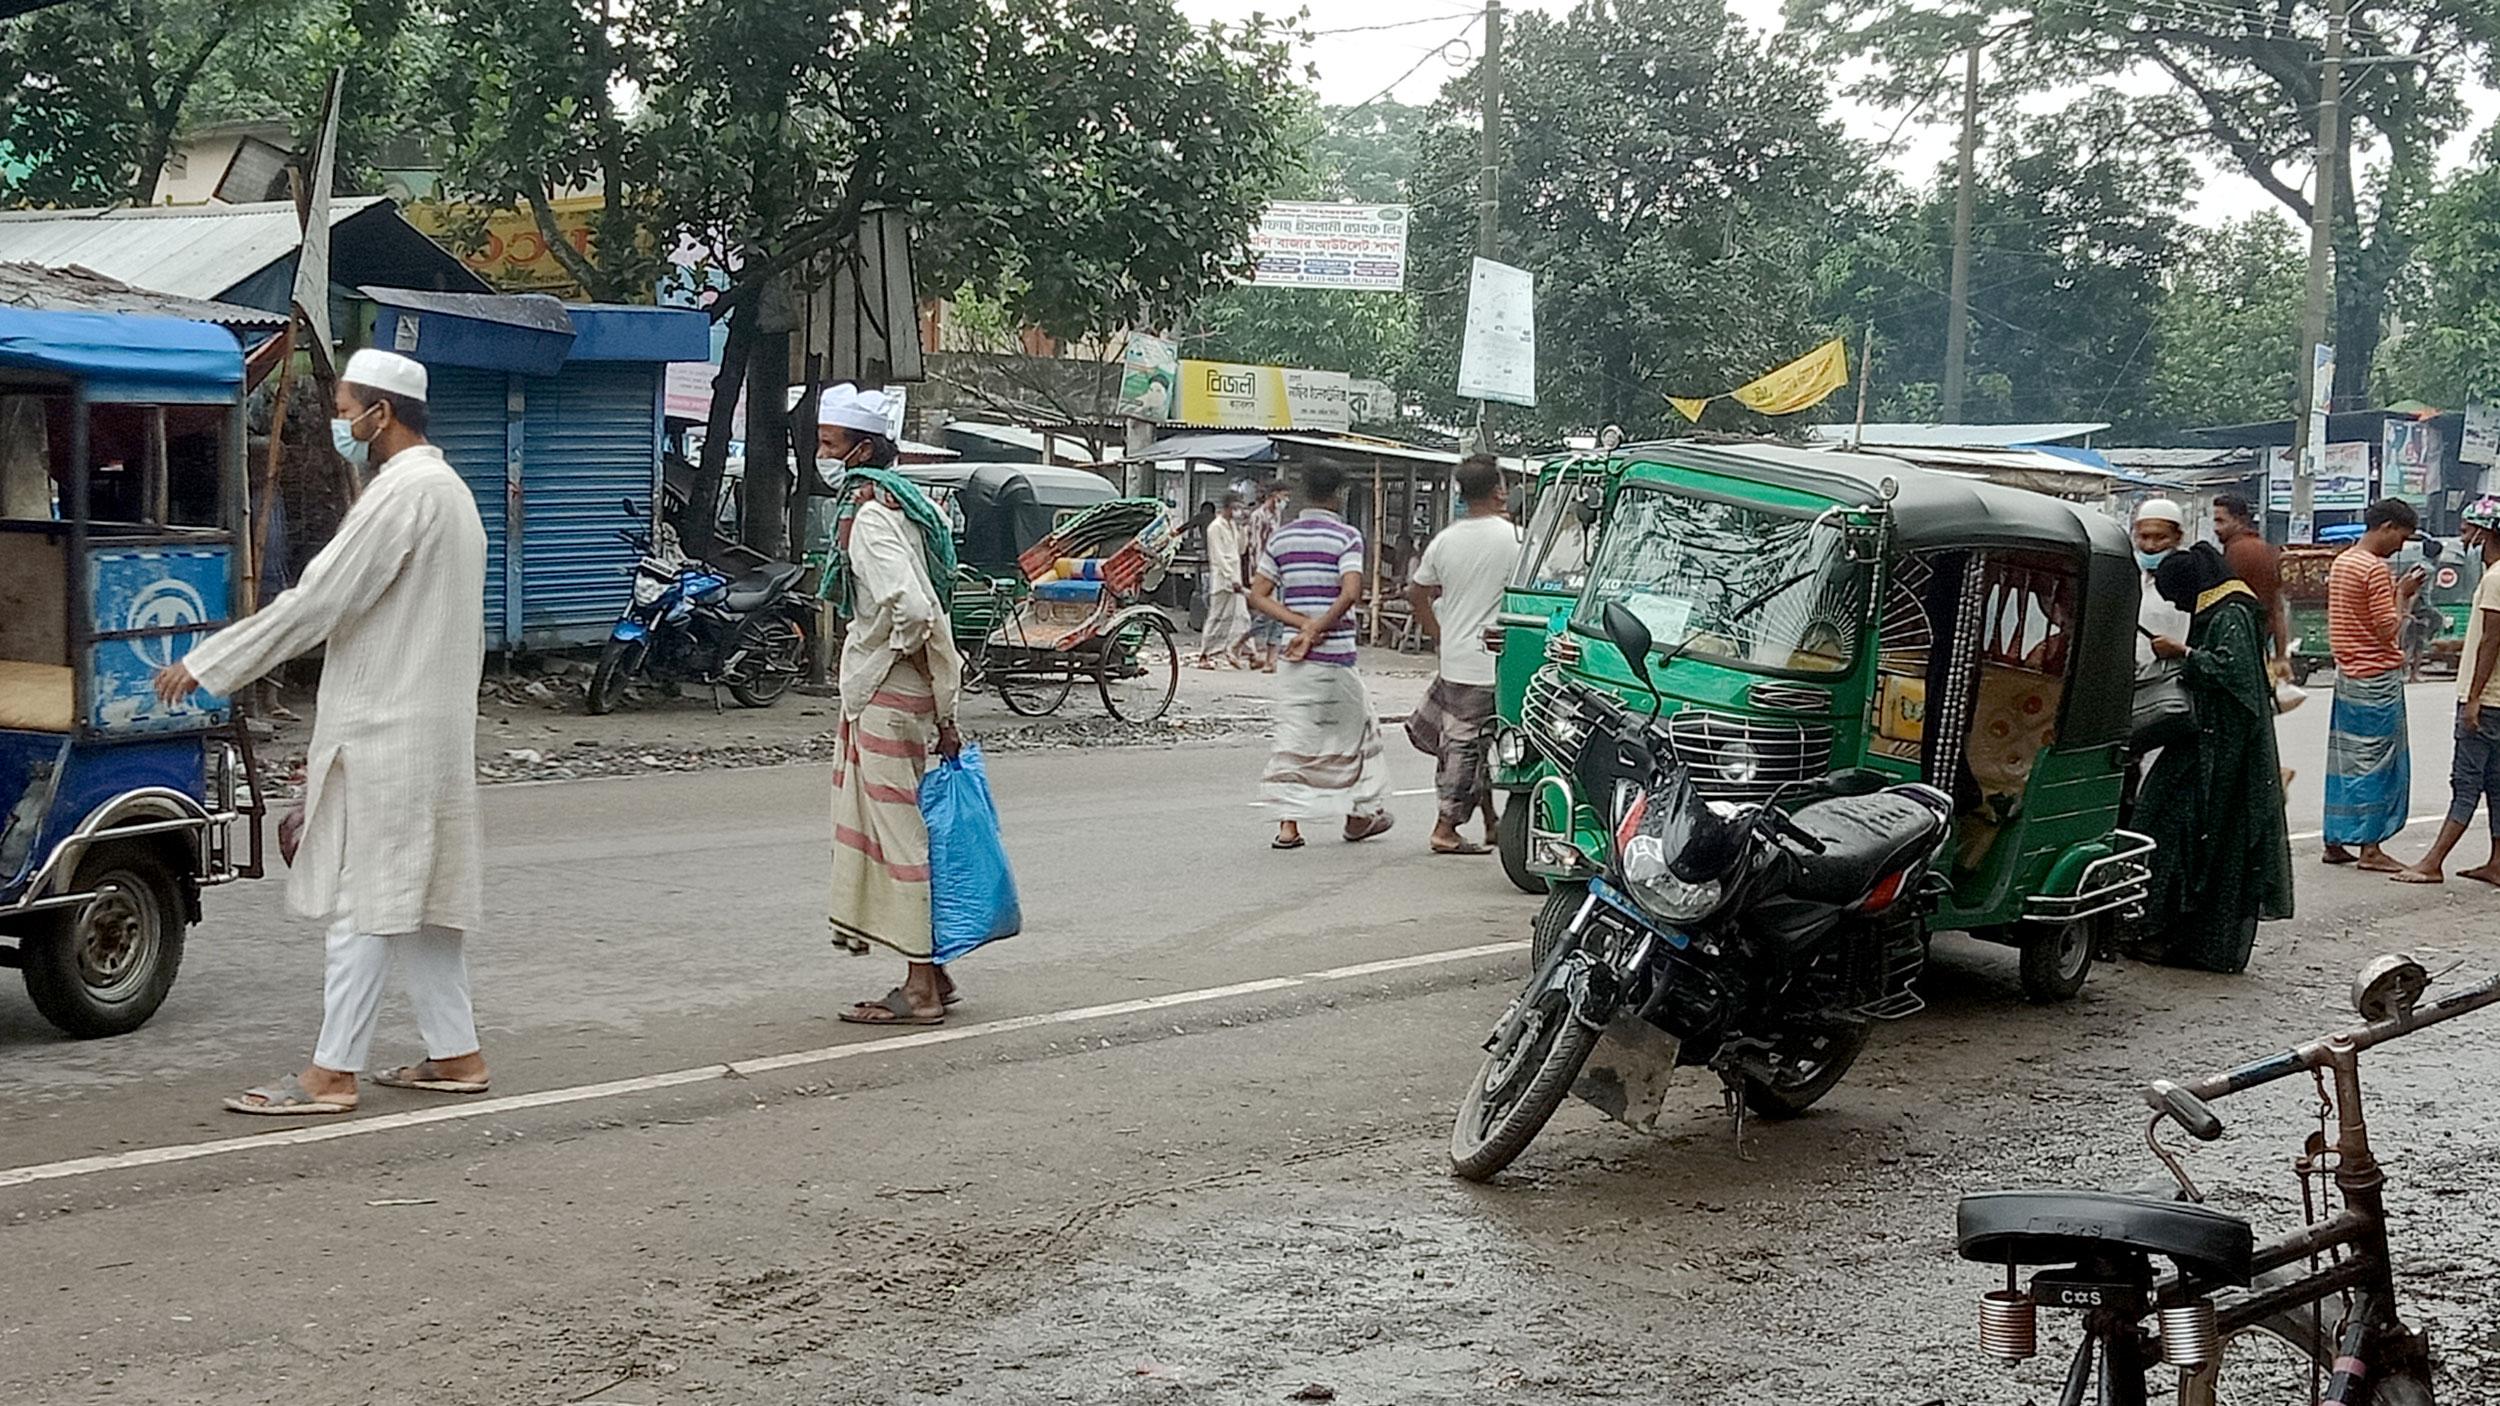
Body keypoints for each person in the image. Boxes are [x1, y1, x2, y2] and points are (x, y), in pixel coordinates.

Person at [150, 350, 491, 1114]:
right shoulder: (445, 491)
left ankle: (331, 1073)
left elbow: (318, 601)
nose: (340, 423)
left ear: (382, 414)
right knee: (419, 905)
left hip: (391, 728)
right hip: (424, 727)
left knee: (365, 902)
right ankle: (457, 1054)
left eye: (344, 408)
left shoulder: (404, 495)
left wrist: (212, 662)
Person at [814, 385, 970, 1023]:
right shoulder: (908, 506)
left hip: (885, 692)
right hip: (913, 692)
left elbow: (910, 605)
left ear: (864, 448)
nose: (822, 454)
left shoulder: (872, 516)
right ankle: (934, 971)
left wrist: (885, 652)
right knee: (905, 829)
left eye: (829, 444)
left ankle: (920, 991)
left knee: (897, 836)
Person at [2135, 543, 2294, 972]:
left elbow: (2234, 674)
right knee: (2160, 821)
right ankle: (2157, 930)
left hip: (2221, 751)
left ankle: (2180, 937)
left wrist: (2183, 654)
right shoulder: (2224, 608)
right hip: (2203, 741)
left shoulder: (2231, 614)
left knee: (2179, 830)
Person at [1251, 464, 1393, 849]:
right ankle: (1358, 815)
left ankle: (1288, 826)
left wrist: (1300, 623)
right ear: (1340, 494)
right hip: (1336, 655)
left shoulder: (1282, 538)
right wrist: (1317, 627)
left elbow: (1258, 594)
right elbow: (1350, 592)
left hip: (1294, 658)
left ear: (1303, 491)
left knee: (1295, 735)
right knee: (1358, 732)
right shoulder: (1346, 537)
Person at [1404, 455, 1521, 856]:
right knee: (1467, 745)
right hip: (1491, 661)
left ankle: (1491, 822)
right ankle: (1445, 826)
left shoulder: (1445, 540)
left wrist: (1438, 634)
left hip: (1455, 656)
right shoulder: (1514, 541)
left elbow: (1416, 592)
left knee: (1474, 741)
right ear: (1499, 491)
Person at [2396, 496, 2500, 886]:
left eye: (2469, 528)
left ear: (2485, 532)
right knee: (2495, 783)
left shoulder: (2494, 579)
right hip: (2494, 700)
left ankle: (2433, 861)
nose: (2464, 536)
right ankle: (2496, 861)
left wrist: (2473, 698)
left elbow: (2491, 641)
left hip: (2486, 699)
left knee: (2466, 781)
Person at [2321, 497, 2422, 871]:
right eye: (2402, 537)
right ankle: (2371, 848)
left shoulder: (2344, 561)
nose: (2401, 546)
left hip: (2347, 672)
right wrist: (2403, 594)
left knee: (2345, 761)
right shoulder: (2374, 569)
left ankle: (2334, 839)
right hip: (2375, 676)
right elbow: (2387, 628)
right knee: (2375, 764)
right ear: (2387, 527)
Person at [1194, 492, 1251, 668]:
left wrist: (1243, 529)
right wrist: (1230, 577)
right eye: (1237, 507)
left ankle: (1238, 650)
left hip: (1236, 578)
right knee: (1217, 617)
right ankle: (1205, 654)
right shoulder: (1215, 527)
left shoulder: (1233, 525)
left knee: (1242, 616)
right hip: (1223, 579)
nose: (1239, 511)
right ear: (1228, 507)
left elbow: (1240, 550)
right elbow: (1218, 556)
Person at [1243, 482, 1291, 671]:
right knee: (1267, 614)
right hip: (1263, 571)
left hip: (1279, 571)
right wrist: (1256, 574)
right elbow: (1254, 547)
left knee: (1279, 616)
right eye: (1284, 496)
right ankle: (1241, 642)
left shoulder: (1276, 515)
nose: (1286, 500)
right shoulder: (1258, 516)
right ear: (1274, 495)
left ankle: (1271, 660)